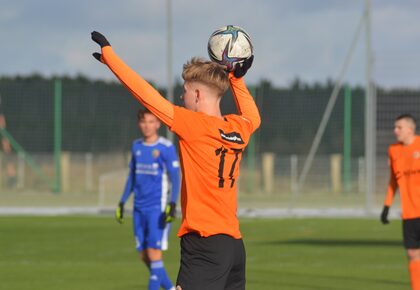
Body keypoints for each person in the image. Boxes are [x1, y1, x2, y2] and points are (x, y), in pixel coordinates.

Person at [91, 30, 260, 290]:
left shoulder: (193, 124)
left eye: (185, 90)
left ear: (198, 95)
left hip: (204, 244)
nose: (182, 97)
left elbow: (147, 96)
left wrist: (111, 58)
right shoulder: (238, 128)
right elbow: (253, 117)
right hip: (234, 246)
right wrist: (237, 79)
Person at [115, 108, 180, 290]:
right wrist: (122, 201)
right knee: (144, 255)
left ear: (158, 124)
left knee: (154, 254)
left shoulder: (165, 148)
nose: (147, 126)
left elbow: (176, 177)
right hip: (138, 208)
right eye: (144, 122)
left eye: (151, 122)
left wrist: (172, 203)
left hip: (157, 209)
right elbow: (132, 177)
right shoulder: (136, 146)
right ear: (139, 124)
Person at [381, 114, 420, 290]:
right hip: (410, 213)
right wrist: (386, 205)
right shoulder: (394, 150)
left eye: (399, 127)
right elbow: (393, 181)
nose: (395, 131)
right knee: (412, 253)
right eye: (395, 127)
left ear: (410, 129)